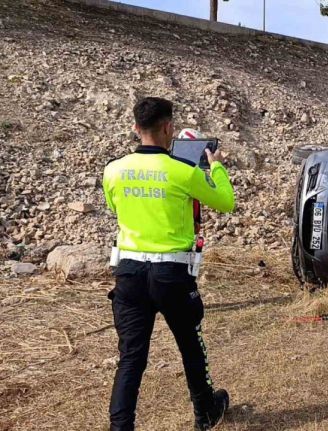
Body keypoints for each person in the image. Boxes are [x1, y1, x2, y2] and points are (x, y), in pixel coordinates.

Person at [102, 97, 235, 430]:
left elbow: (114, 206)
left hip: (129, 273)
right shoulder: (183, 171)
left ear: (136, 128)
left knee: (131, 358)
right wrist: (216, 165)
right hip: (172, 274)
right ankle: (206, 413)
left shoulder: (113, 170)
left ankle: (121, 428)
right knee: (191, 346)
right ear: (168, 128)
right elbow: (226, 201)